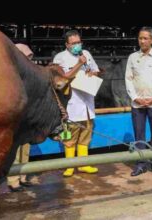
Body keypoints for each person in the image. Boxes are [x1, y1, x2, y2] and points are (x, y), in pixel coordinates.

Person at [53, 30, 100, 177]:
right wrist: (79, 64)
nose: (77, 46)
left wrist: (93, 73)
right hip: (71, 104)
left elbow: (96, 70)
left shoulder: (86, 53)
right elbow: (61, 79)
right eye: (73, 43)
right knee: (69, 137)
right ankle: (69, 166)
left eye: (79, 42)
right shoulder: (60, 58)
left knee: (85, 135)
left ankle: (83, 164)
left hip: (87, 102)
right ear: (67, 44)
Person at [125, 27, 152, 177]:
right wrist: (135, 97)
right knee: (139, 134)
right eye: (140, 38)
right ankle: (140, 164)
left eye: (145, 38)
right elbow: (128, 79)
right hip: (137, 104)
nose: (142, 41)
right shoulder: (132, 57)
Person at [6, 43, 35, 192]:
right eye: (26, 56)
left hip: (28, 116)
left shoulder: (29, 72)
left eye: (30, 56)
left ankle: (23, 177)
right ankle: (13, 180)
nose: (29, 59)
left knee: (25, 148)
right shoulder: (10, 72)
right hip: (16, 117)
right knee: (15, 150)